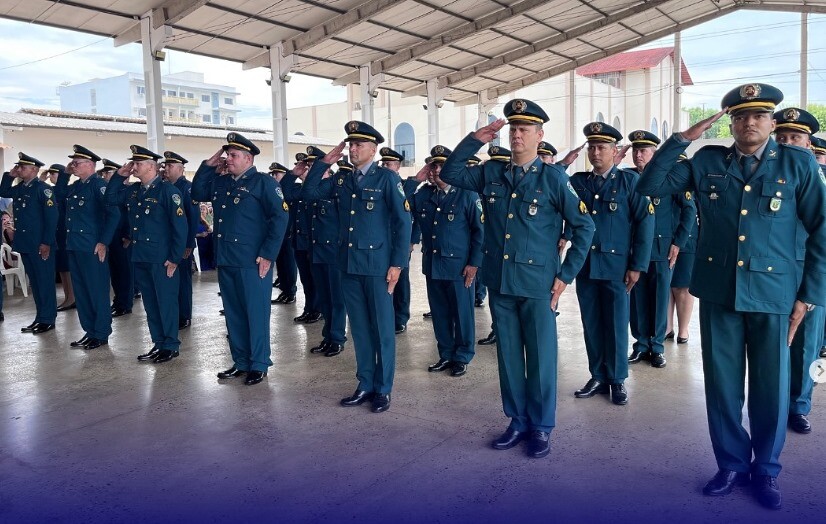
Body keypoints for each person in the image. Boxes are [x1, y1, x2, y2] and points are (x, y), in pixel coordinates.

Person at [637, 83, 826, 510]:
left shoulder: (796, 164)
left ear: (772, 122)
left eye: (758, 115)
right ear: (730, 123)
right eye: (740, 116)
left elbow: (822, 229)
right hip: (720, 291)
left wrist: (809, 293)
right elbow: (650, 186)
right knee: (722, 386)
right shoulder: (706, 161)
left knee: (770, 387)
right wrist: (681, 140)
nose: (749, 123)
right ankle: (731, 464)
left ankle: (767, 470)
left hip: (774, 293)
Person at [440, 99, 595, 458]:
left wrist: (565, 275)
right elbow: (450, 173)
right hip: (502, 282)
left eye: (524, 129)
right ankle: (517, 419)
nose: (517, 134)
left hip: (539, 285)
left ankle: (541, 426)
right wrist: (475, 139)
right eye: (513, 128)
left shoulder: (554, 179)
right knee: (509, 356)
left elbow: (584, 227)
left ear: (540, 135)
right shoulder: (491, 174)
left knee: (540, 357)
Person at [301, 121, 411, 413]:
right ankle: (365, 384)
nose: (352, 149)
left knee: (382, 330)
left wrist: (397, 264)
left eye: (358, 144)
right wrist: (324, 162)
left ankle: (383, 389)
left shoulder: (387, 179)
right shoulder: (342, 180)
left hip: (377, 267)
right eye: (350, 144)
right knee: (360, 330)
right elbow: (309, 193)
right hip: (348, 267)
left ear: (373, 150)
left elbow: (403, 223)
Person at [191, 133, 289, 385]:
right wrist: (209, 165)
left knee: (255, 313)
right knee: (234, 313)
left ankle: (259, 364)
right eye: (227, 155)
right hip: (226, 258)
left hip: (252, 260)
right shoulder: (222, 183)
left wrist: (268, 254)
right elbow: (198, 191)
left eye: (233, 155)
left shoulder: (263, 183)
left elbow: (279, 219)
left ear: (249, 158)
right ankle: (241, 361)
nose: (228, 159)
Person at [569, 122, 654, 405]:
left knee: (617, 324)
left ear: (614, 151)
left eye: (601, 147)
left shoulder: (630, 183)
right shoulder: (579, 182)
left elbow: (645, 224)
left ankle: (617, 379)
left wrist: (638, 265)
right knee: (592, 323)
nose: (595, 152)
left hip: (618, 267)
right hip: (586, 266)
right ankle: (597, 374)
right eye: (591, 147)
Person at [769, 107, 826, 436]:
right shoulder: (768, 175)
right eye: (782, 137)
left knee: (809, 343)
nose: (787, 142)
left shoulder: (818, 177)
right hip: (776, 273)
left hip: (812, 271)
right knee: (776, 342)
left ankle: (801, 405)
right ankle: (776, 401)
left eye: (796, 137)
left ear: (809, 143)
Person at [411, 145, 483, 377]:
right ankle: (446, 354)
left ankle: (462, 356)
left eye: (440, 166)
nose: (435, 171)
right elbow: (400, 201)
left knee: (462, 314)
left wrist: (474, 263)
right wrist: (415, 179)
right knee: (440, 314)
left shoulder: (467, 194)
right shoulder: (424, 194)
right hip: (433, 265)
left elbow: (480, 232)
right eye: (432, 166)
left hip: (459, 267)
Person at [627, 131, 696, 368]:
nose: (638, 155)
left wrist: (678, 242)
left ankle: (656, 347)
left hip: (661, 248)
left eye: (644, 150)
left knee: (658, 298)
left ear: (655, 154)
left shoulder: (669, 179)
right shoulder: (627, 179)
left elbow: (689, 210)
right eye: (636, 150)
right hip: (634, 250)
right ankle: (640, 344)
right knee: (637, 300)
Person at [113, 146, 188, 363]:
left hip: (162, 258)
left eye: (138, 164)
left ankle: (171, 344)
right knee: (151, 304)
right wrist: (120, 176)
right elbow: (110, 198)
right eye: (133, 163)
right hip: (141, 255)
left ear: (152, 167)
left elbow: (179, 228)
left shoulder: (168, 192)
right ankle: (159, 343)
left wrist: (174, 258)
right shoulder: (135, 190)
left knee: (165, 302)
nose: (133, 167)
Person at [55, 145, 122, 349]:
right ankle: (90, 330)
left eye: (77, 163)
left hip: (92, 247)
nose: (73, 165)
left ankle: (101, 332)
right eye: (73, 163)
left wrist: (104, 242)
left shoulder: (99, 186)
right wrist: (65, 175)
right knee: (82, 291)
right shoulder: (76, 186)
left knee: (96, 290)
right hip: (75, 246)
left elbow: (114, 214)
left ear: (90, 165)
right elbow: (58, 196)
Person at [0, 153, 59, 334]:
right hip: (25, 243)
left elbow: (52, 218)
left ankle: (48, 318)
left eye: (23, 167)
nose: (19, 169)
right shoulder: (21, 188)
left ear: (34, 170)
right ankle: (40, 317)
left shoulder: (43, 189)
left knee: (45, 282)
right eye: (18, 167)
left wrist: (46, 242)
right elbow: (3, 192)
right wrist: (9, 176)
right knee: (35, 282)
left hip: (40, 244)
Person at [297, 160, 349, 357]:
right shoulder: (314, 192)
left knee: (337, 298)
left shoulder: (336, 187)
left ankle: (337, 338)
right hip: (317, 252)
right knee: (325, 298)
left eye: (313, 168)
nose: (309, 171)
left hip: (334, 253)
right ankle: (328, 336)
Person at [161, 151, 200, 330]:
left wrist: (188, 244)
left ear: (180, 169)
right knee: (169, 280)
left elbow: (192, 218)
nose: (166, 169)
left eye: (170, 166)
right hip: (167, 243)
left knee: (183, 280)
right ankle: (173, 314)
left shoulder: (187, 188)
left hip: (182, 243)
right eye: (165, 165)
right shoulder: (164, 187)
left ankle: (184, 315)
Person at [380, 146, 414, 334]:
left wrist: (410, 242)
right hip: (380, 243)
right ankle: (387, 316)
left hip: (398, 242)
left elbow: (409, 217)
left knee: (400, 282)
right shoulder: (376, 183)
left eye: (389, 163)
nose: (385, 166)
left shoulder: (403, 186)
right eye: (383, 163)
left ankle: (400, 317)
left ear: (398, 166)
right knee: (382, 281)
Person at [291, 147, 323, 324]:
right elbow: (283, 190)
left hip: (314, 242)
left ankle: (317, 309)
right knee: (306, 279)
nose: (305, 170)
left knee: (316, 279)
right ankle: (309, 308)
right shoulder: (298, 189)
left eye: (310, 167)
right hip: (300, 241)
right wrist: (294, 175)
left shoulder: (322, 188)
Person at [99, 159, 134, 318]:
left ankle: (125, 304)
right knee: (115, 271)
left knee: (124, 271)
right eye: (105, 173)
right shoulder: (111, 193)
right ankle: (118, 301)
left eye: (109, 172)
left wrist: (128, 235)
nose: (106, 175)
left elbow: (130, 216)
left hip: (122, 237)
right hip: (111, 236)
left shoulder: (128, 191)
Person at [43, 164, 76, 312]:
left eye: (54, 174)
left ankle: (72, 297)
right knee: (62, 268)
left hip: (65, 232)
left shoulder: (65, 191)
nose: (51, 177)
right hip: (57, 233)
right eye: (50, 174)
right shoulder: (52, 190)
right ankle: (68, 297)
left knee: (67, 267)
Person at [270, 161, 299, 305]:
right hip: (279, 233)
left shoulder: (293, 189)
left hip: (289, 233)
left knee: (289, 264)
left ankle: (291, 292)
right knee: (281, 264)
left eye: (277, 174)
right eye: (273, 174)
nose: (274, 176)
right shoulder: (276, 191)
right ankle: (284, 290)